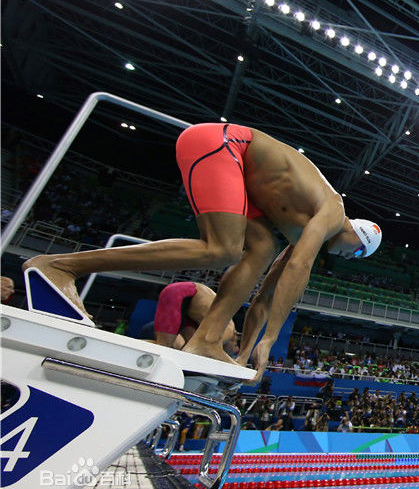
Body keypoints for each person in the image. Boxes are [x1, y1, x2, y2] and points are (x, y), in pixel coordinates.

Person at [23, 123, 382, 380]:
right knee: (222, 249)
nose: (348, 259)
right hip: (222, 145)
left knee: (261, 249)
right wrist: (271, 338)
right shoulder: (333, 211)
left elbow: (265, 297)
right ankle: (62, 265)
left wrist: (245, 356)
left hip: (237, 168)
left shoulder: (303, 233)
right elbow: (300, 267)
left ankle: (207, 340)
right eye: (357, 254)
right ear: (358, 236)